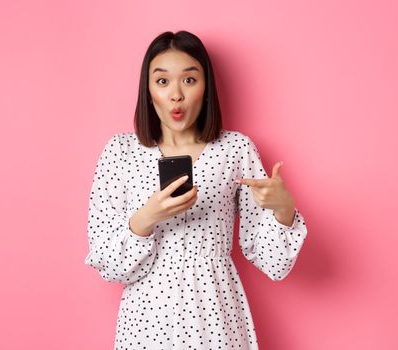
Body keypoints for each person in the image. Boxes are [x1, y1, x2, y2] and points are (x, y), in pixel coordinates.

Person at [84, 30, 308, 349]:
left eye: (189, 80)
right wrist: (145, 219)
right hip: (146, 320)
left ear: (206, 88)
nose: (176, 95)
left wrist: (284, 210)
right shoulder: (121, 152)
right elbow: (107, 262)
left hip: (215, 313)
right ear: (148, 91)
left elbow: (273, 262)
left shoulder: (235, 150)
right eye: (162, 81)